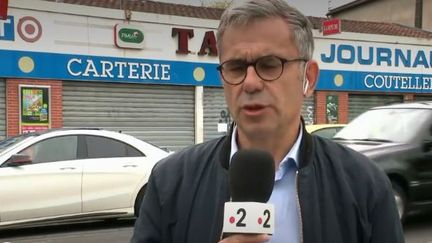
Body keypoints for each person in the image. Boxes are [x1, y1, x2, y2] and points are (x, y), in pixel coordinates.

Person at [131, 0, 405, 242]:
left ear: (308, 78)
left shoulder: (365, 184)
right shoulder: (170, 182)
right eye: (236, 67)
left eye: (269, 64)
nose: (250, 82)